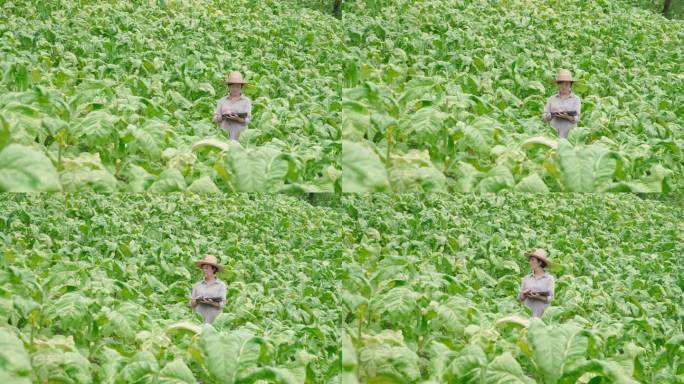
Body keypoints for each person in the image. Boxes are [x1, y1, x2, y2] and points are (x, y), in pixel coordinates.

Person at [213, 71, 252, 141]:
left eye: (237, 86)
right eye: (232, 86)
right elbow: (215, 119)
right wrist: (223, 116)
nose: (235, 89)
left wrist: (238, 119)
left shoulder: (246, 101)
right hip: (224, 137)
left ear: (241, 87)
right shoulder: (222, 101)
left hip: (240, 137)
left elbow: (248, 120)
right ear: (229, 86)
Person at [543, 69, 581, 139]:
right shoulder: (552, 99)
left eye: (567, 84)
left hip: (570, 136)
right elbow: (544, 118)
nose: (564, 86)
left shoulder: (576, 99)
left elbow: (577, 118)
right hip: (553, 135)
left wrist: (568, 117)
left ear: (570, 85)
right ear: (558, 84)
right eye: (562, 84)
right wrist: (551, 115)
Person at [189, 255, 227, 324]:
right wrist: (197, 301)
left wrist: (211, 303)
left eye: (206, 268)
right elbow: (191, 304)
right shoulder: (197, 285)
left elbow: (222, 304)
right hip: (198, 322)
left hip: (214, 323)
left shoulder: (221, 285)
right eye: (203, 268)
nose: (204, 270)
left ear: (213, 269)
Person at [518, 249, 555, 318]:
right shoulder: (526, 278)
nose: (530, 262)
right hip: (527, 315)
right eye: (530, 260)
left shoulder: (549, 278)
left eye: (532, 260)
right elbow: (520, 298)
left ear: (539, 263)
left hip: (542, 316)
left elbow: (551, 299)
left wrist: (539, 297)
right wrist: (524, 293)